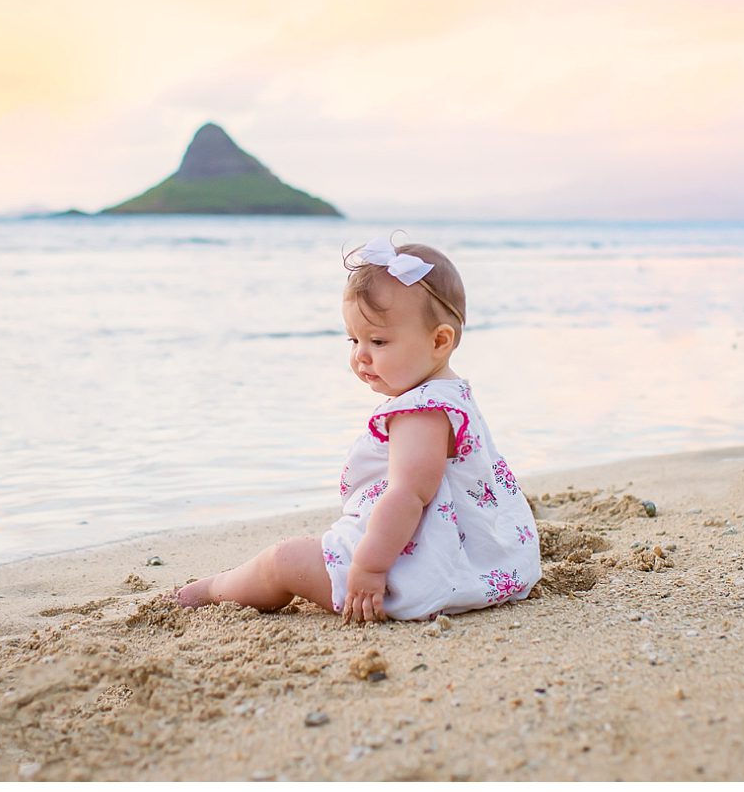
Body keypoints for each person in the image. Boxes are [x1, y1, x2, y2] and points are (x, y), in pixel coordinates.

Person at [171, 236, 542, 623]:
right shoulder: (450, 393)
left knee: (283, 561)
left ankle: (210, 592)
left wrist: (369, 568)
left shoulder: (419, 413)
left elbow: (408, 495)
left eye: (378, 341)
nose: (361, 355)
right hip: (469, 559)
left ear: (439, 341)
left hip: (415, 572)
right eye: (354, 339)